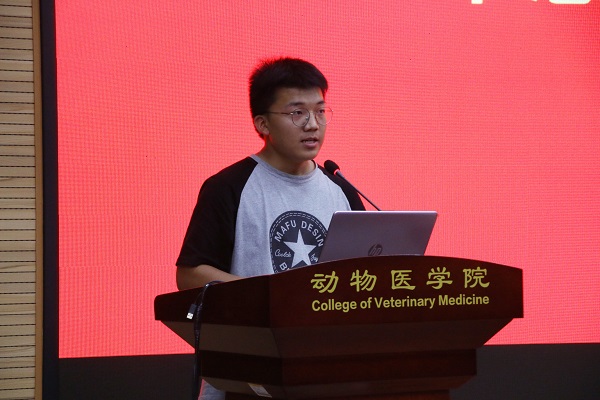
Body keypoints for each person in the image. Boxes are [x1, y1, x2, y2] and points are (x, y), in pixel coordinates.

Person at [175, 57, 365, 400]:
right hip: (247, 373)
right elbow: (190, 275)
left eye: (320, 111)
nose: (312, 124)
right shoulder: (228, 187)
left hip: (326, 371)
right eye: (297, 113)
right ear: (262, 123)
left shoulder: (342, 191)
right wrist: (273, 295)